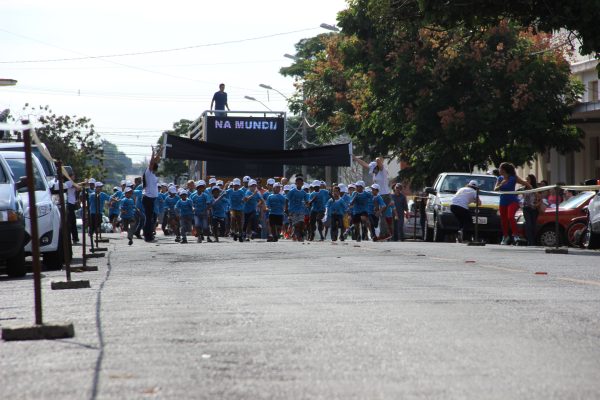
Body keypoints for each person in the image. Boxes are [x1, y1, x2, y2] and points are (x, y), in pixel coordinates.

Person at [495, 162, 530, 245]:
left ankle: (516, 235)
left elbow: (526, 184)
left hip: (513, 201)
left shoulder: (513, 178)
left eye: (500, 168)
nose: (499, 170)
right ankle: (505, 236)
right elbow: (495, 189)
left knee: (510, 217)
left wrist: (534, 192)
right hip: (503, 201)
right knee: (504, 220)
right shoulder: (499, 178)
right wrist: (501, 185)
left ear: (504, 170)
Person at [142, 146, 162, 242]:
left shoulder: (152, 174)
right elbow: (152, 162)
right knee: (149, 218)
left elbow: (156, 161)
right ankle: (147, 236)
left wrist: (160, 151)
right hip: (148, 198)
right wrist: (153, 152)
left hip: (151, 199)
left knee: (151, 218)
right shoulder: (148, 172)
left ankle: (149, 234)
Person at [286, 176, 310, 242]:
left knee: (301, 223)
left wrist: (308, 204)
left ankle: (298, 234)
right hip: (292, 210)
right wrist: (286, 209)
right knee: (297, 224)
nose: (299, 184)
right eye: (298, 182)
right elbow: (286, 199)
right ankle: (297, 234)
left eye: (300, 183)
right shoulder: (292, 191)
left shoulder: (304, 193)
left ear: (302, 184)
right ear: (296, 183)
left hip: (301, 210)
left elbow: (307, 201)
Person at [521, 174, 541, 246]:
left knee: (533, 225)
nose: (526, 181)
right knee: (528, 224)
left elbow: (538, 197)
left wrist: (531, 188)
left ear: (532, 180)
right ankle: (530, 241)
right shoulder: (524, 188)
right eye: (526, 179)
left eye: (528, 179)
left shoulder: (536, 188)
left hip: (534, 208)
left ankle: (534, 241)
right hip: (526, 208)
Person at [64, 171, 84, 244]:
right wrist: (83, 183)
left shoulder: (71, 183)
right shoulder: (69, 182)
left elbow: (78, 188)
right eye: (73, 176)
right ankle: (73, 238)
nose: (74, 177)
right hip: (68, 204)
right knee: (71, 222)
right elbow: (76, 186)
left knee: (73, 222)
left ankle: (75, 238)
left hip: (71, 204)